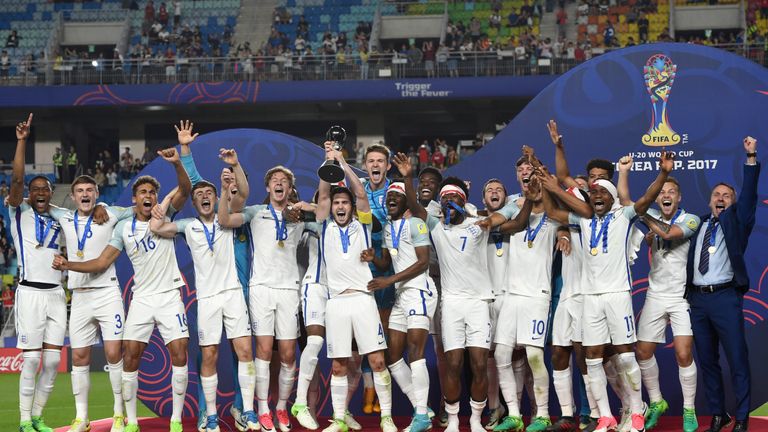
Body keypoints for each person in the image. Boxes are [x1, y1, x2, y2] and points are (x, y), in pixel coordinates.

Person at [53, 143, 192, 432]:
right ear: (134, 198)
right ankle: (129, 421)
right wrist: (69, 265)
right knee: (130, 356)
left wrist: (179, 163)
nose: (149, 196)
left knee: (180, 353)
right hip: (141, 298)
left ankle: (176, 420)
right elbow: (102, 262)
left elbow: (184, 189)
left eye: (152, 193)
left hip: (169, 296)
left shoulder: (165, 217)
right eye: (143, 192)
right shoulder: (122, 228)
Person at [544, 151, 675, 432]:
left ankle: (637, 411)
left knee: (626, 356)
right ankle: (605, 417)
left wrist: (662, 174)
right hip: (590, 299)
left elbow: (646, 199)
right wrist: (546, 186)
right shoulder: (582, 221)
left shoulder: (623, 216)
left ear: (612, 196)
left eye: (602, 191)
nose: (597, 195)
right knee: (592, 358)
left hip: (617, 295)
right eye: (592, 193)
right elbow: (553, 212)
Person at [401, 152, 533, 432]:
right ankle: (453, 420)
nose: (450, 203)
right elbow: (413, 204)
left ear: (464, 201)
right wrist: (406, 176)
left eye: (455, 198)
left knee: (478, 364)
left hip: (479, 304)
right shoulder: (436, 228)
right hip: (451, 305)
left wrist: (529, 199)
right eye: (445, 199)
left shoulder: (480, 225)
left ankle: (474, 420)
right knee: (453, 363)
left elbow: (519, 223)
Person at [149, 151, 256, 432]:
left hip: (233, 293)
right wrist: (164, 204)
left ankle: (248, 410)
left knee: (245, 350)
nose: (205, 196)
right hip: (207, 299)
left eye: (210, 192)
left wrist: (230, 173)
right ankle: (210, 416)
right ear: (194, 202)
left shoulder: (229, 218)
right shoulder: (188, 226)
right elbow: (156, 227)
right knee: (209, 356)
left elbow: (241, 192)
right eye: (200, 194)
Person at [314, 143, 396, 432]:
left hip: (363, 300)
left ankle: (386, 417)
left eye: (344, 203)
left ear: (351, 207)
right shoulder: (324, 224)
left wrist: (343, 162)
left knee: (375, 360)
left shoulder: (363, 224)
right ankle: (339, 420)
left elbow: (361, 193)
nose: (339, 206)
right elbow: (324, 193)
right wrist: (328, 161)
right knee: (338, 366)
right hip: (336, 302)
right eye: (337, 203)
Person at [218, 163, 305, 432]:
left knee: (289, 355)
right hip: (261, 289)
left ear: (290, 189)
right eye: (274, 180)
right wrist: (226, 184)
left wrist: (305, 209)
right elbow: (224, 220)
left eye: (284, 181)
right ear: (268, 187)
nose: (279, 183)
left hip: (290, 289)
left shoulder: (299, 217)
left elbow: (327, 210)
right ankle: (264, 410)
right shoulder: (256, 212)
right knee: (265, 352)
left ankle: (281, 408)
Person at [616, 157, 700, 432]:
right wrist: (624, 172)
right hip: (655, 295)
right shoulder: (651, 217)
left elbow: (669, 232)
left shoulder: (690, 219)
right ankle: (656, 402)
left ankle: (689, 410)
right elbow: (626, 201)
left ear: (679, 198)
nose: (666, 195)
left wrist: (643, 215)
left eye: (671, 192)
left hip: (679, 298)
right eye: (662, 192)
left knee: (683, 353)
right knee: (642, 351)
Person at [686, 137, 759, 432]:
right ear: (709, 200)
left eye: (727, 195)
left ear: (732, 202)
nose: (720, 198)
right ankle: (719, 414)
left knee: (737, 360)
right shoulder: (697, 224)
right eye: (716, 194)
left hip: (725, 298)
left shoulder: (737, 222)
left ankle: (741, 418)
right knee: (707, 362)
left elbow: (750, 196)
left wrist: (750, 158)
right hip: (698, 301)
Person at [47, 176, 129, 432]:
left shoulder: (111, 213)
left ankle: (119, 414)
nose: (85, 194)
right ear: (72, 196)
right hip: (80, 296)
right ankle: (81, 418)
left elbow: (136, 210)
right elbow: (34, 203)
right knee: (79, 357)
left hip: (107, 293)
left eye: (90, 191)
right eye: (80, 191)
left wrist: (104, 205)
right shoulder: (64, 217)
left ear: (96, 194)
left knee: (114, 353)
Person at [363, 179, 437, 432]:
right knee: (393, 357)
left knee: (415, 353)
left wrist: (389, 281)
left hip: (420, 291)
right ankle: (422, 409)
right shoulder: (386, 229)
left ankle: (420, 416)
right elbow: (386, 262)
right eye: (388, 197)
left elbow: (423, 262)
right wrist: (375, 257)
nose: (391, 200)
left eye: (397, 196)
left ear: (406, 201)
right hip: (402, 294)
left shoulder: (415, 223)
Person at [11, 114, 67, 432]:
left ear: (51, 192)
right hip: (30, 292)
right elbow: (17, 182)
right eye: (36, 189)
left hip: (57, 295)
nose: (40, 192)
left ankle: (37, 416)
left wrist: (100, 208)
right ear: (30, 194)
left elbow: (89, 215)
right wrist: (22, 141)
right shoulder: (18, 211)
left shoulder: (61, 215)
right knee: (31, 360)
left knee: (51, 362)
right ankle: (22, 420)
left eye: (45, 188)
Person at [360, 143, 395, 414]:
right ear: (365, 165)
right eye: (371, 160)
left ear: (387, 166)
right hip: (360, 268)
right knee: (361, 336)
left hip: (386, 269)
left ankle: (381, 401)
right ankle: (367, 390)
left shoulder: (395, 192)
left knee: (380, 335)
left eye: (380, 161)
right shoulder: (357, 190)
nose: (375, 165)